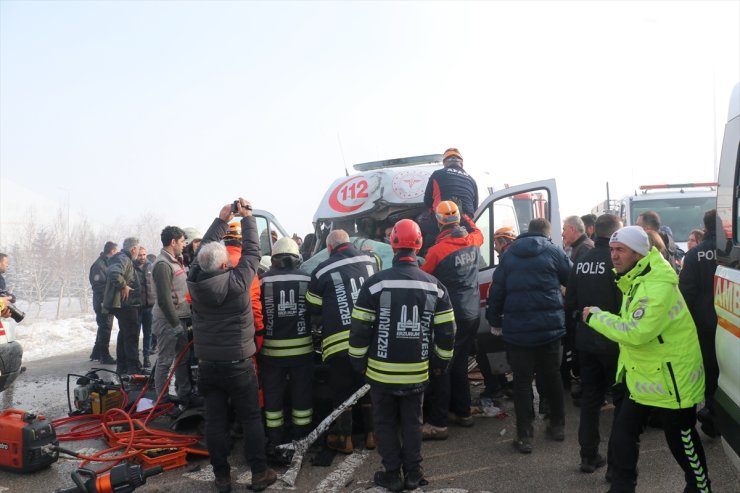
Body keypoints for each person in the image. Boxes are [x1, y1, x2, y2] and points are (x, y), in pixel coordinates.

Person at [584, 226, 711, 493]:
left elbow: (636, 332)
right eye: (612, 250)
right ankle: (621, 487)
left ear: (639, 254)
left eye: (621, 250)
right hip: (644, 376)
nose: (614, 256)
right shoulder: (636, 278)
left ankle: (700, 488)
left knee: (681, 439)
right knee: (623, 434)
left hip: (672, 378)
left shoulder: (655, 285)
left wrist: (596, 316)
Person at [349, 219, 455, 492]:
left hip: (380, 372)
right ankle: (414, 473)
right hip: (417, 371)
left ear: (393, 245)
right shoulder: (435, 286)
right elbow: (447, 333)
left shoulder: (374, 285)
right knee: (412, 421)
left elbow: (360, 329)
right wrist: (440, 362)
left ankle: (393, 475)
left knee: (384, 422)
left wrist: (359, 362)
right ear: (419, 244)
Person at [187, 199, 277, 493]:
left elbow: (202, 257)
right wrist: (248, 218)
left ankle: (222, 478)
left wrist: (220, 220)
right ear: (226, 264)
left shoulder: (195, 284)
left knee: (215, 421)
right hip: (238, 364)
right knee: (251, 418)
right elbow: (253, 251)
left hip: (208, 365)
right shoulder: (238, 283)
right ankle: (259, 473)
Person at [486, 218, 571, 454]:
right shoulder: (555, 252)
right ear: (547, 233)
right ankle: (557, 426)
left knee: (522, 383)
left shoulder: (509, 256)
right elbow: (571, 280)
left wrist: (494, 321)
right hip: (550, 328)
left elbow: (497, 292)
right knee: (552, 376)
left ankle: (525, 436)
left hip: (518, 331)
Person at [306, 229, 380, 453]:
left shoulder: (321, 271)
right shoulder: (371, 260)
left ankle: (345, 440)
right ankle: (371, 436)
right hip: (368, 340)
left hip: (338, 345)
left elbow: (313, 306)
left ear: (329, 248)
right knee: (368, 388)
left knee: (342, 392)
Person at [564, 214, 623, 475]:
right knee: (621, 404)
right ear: (615, 233)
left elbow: (571, 303)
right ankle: (615, 465)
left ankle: (588, 457)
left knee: (591, 400)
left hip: (586, 340)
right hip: (615, 341)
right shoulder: (618, 261)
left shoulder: (582, 261)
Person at [420, 201, 483, 439]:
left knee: (442, 366)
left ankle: (438, 422)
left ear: (438, 223)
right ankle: (463, 412)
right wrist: (467, 217)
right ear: (458, 220)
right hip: (473, 312)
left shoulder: (437, 251)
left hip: (450, 316)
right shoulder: (473, 240)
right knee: (459, 363)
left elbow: (422, 276)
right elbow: (477, 232)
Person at [258, 237, 313, 457]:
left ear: (274, 258)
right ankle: (302, 439)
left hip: (271, 353)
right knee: (302, 397)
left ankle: (275, 442)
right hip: (302, 352)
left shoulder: (263, 281)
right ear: (296, 257)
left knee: (273, 398)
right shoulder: (307, 279)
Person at [679, 210, 719, 438]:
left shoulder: (694, 255)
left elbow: (685, 294)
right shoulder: (732, 251)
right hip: (732, 317)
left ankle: (711, 414)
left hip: (704, 323)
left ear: (704, 228)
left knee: (711, 370)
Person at [151, 226, 196, 407]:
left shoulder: (175, 261)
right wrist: (175, 323)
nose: (184, 246)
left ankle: (184, 393)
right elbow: (163, 299)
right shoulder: (163, 265)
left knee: (182, 358)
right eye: (182, 242)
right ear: (173, 242)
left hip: (179, 318)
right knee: (165, 360)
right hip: (168, 320)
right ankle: (162, 400)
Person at [103, 237, 142, 375]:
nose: (138, 252)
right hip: (127, 304)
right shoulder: (123, 258)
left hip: (126, 304)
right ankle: (133, 367)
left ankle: (123, 366)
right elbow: (114, 273)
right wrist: (124, 285)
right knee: (131, 335)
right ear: (133, 249)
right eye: (137, 249)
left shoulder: (123, 258)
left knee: (124, 334)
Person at [88, 242, 118, 364]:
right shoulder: (99, 265)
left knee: (103, 327)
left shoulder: (105, 263)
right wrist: (103, 302)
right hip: (102, 302)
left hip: (105, 301)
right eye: (116, 251)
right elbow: (99, 287)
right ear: (112, 251)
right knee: (105, 327)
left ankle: (96, 353)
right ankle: (104, 356)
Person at [135, 247, 156, 369]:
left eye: (144, 254)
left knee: (148, 333)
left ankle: (146, 357)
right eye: (139, 255)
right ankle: (136, 357)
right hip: (137, 306)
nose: (142, 257)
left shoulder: (151, 266)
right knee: (136, 333)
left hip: (149, 306)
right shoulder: (132, 267)